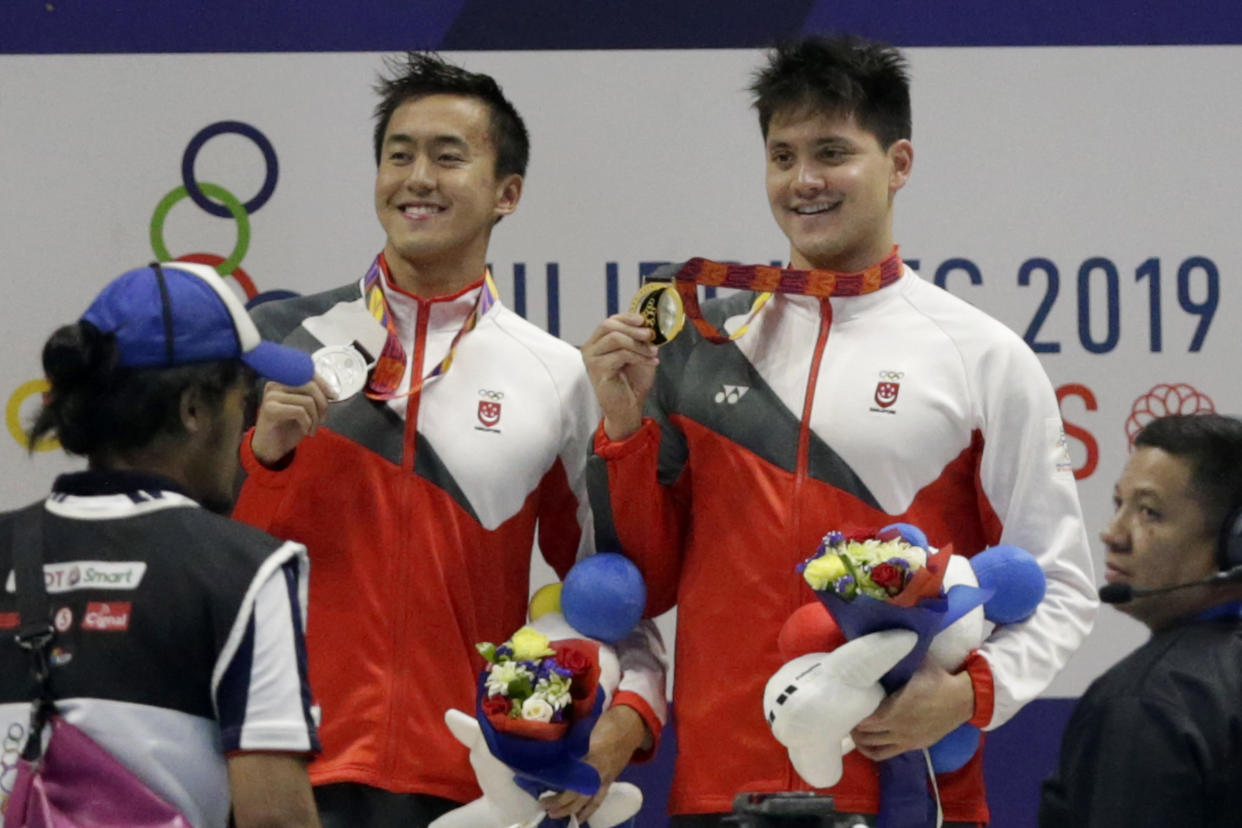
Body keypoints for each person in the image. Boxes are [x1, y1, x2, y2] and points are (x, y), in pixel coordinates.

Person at [582, 35, 1097, 826]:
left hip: (907, 791)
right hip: (723, 790)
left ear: (899, 163)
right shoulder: (700, 341)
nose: (804, 180)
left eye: (832, 152)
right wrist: (623, 424)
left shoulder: (982, 356)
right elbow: (645, 580)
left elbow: (1060, 585)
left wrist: (967, 694)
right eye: (782, 155)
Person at [231, 52, 666, 827]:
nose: (417, 178)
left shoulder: (559, 377)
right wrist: (265, 461)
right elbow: (198, 566)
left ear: (508, 193)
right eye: (399, 155)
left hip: (466, 786)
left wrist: (619, 727)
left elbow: (617, 596)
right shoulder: (278, 343)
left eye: (447, 156)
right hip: (279, 775)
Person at [0, 262, 321, 827]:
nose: (244, 419)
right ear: (193, 408)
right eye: (239, 398)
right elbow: (276, 819)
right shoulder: (248, 570)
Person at [1040, 413, 1242, 827]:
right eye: (1120, 505)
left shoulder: (1148, 701)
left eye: (1149, 513)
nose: (1112, 533)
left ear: (1234, 543)